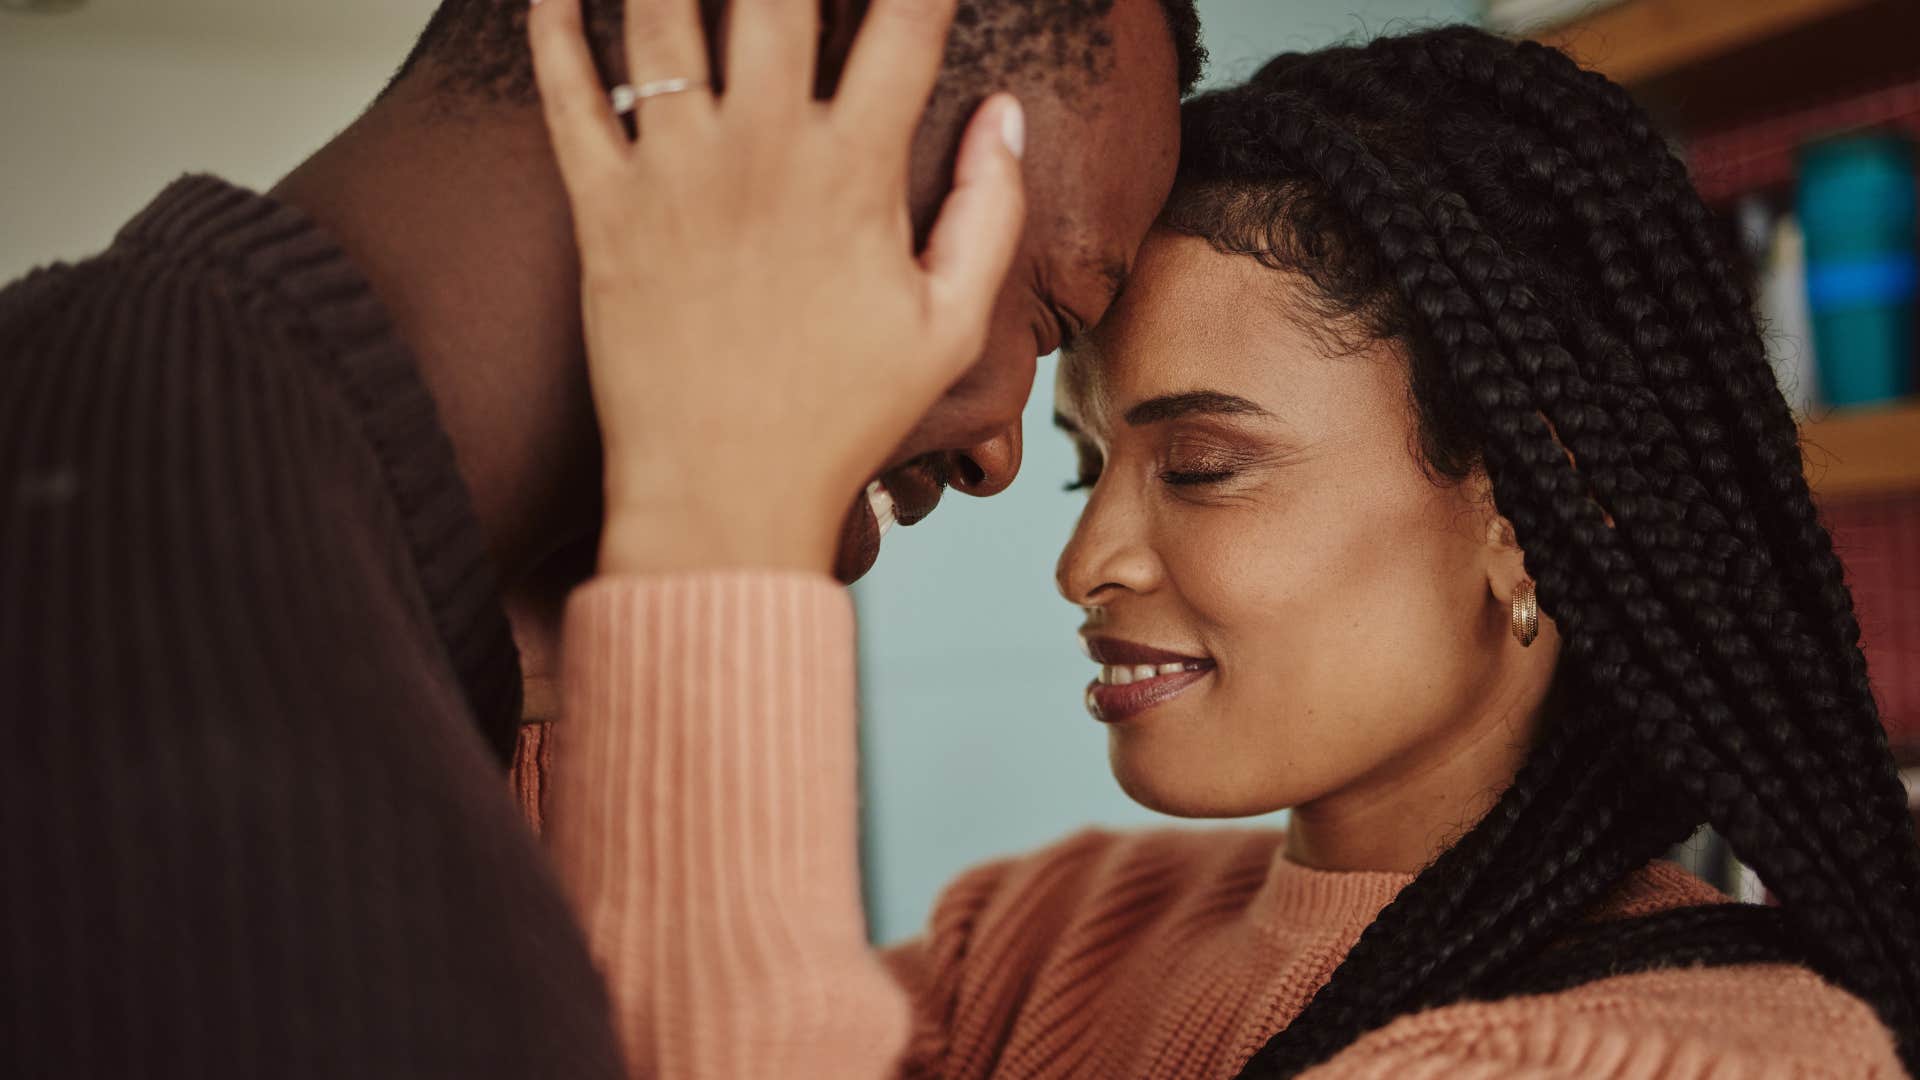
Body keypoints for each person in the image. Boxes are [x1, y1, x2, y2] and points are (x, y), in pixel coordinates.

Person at [529, 7, 1920, 1077]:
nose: (1083, 565)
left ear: (1532, 511)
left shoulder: (1685, 1048)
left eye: (1201, 468)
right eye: (1087, 465)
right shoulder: (1040, 938)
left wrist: (716, 508)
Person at [0, 0, 1202, 1075]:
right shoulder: (150, 634)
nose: (1002, 452)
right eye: (1047, 309)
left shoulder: (279, 531)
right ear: (768, 74)